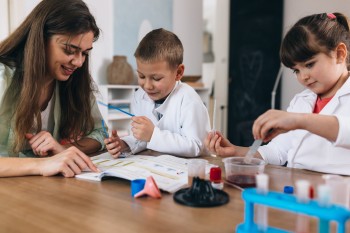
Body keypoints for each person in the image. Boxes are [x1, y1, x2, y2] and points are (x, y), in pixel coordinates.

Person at [206, 12, 350, 175]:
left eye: (309, 65)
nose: (303, 76)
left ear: (339, 54)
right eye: (296, 70)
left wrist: (300, 121)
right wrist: (235, 151)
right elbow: (278, 151)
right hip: (299, 190)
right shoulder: (301, 101)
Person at [0, 0, 105, 177]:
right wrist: (41, 164)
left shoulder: (75, 81)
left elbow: (100, 133)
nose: (79, 62)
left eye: (85, 53)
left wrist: (62, 149)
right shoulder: (3, 77)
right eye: (70, 50)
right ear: (40, 39)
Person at [105, 28, 210, 158]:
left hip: (188, 170)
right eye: (142, 76)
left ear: (178, 73)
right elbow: (144, 139)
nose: (147, 86)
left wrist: (153, 135)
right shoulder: (139, 96)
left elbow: (196, 146)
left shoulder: (189, 100)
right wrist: (124, 144)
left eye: (156, 78)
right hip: (158, 166)